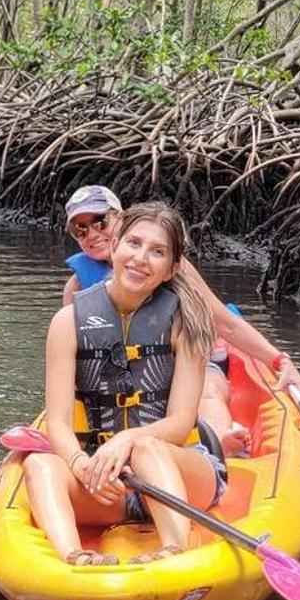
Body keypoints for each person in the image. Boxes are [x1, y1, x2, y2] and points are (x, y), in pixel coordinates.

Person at [25, 203, 223, 567]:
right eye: (134, 243)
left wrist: (126, 441)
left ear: (172, 269)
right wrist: (81, 465)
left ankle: (175, 549)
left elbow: (180, 426)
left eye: (158, 251)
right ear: (115, 246)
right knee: (40, 466)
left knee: (147, 446)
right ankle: (75, 556)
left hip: (180, 473)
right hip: (110, 484)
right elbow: (57, 424)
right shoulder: (67, 323)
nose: (141, 258)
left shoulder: (187, 323)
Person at [56, 184, 300, 455]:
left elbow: (225, 324)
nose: (92, 234)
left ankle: (217, 441)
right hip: (126, 371)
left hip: (191, 359)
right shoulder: (77, 292)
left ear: (121, 218)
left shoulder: (168, 265)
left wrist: (279, 360)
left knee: (207, 391)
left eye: (100, 221)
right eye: (80, 230)